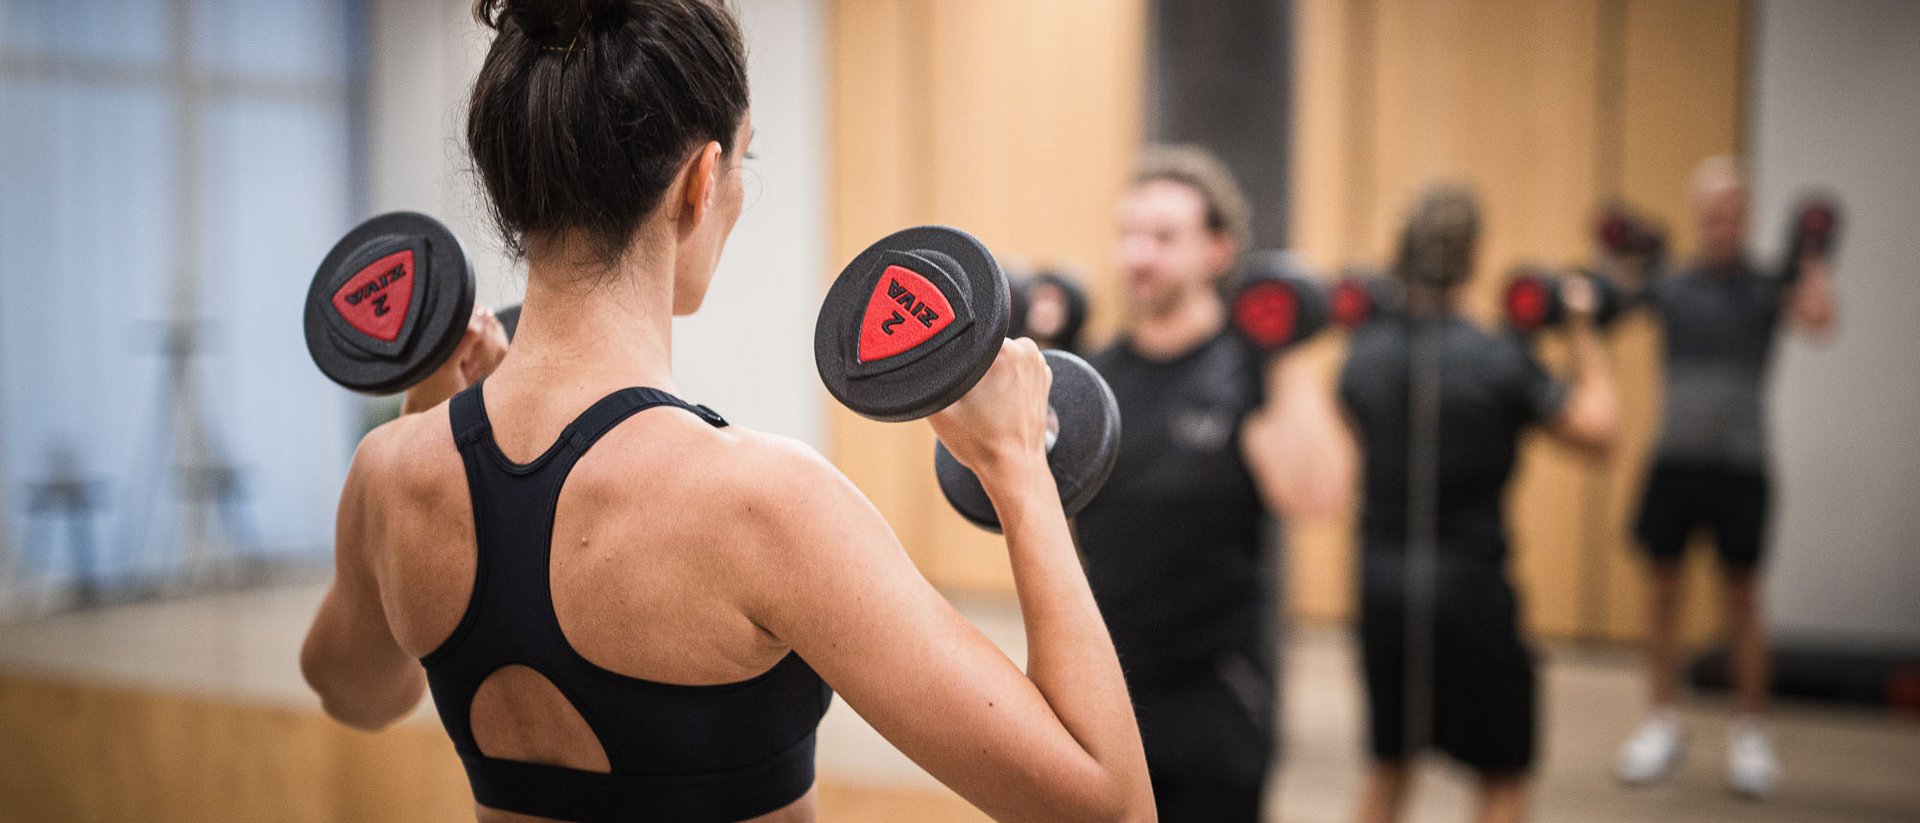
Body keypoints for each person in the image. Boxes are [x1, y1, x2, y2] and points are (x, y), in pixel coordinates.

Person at [298, 2, 1155, 821]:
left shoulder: (391, 471)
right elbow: (1107, 807)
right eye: (744, 159)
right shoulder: (764, 502)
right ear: (701, 180)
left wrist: (427, 409)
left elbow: (360, 691)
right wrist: (1018, 464)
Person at [1076, 145, 1353, 822]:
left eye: (1165, 237)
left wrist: (1282, 350)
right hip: (1104, 685)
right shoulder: (1091, 378)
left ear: (1218, 251)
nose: (1139, 255)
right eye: (1129, 234)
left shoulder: (1252, 371)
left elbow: (1316, 496)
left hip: (1216, 691)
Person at [1332, 185, 1617, 823]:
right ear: (1477, 257)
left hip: (1381, 591)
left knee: (1388, 769)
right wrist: (1582, 331)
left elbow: (1348, 444)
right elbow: (1601, 433)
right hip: (1471, 595)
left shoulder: (1362, 357)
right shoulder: (1499, 360)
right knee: (1501, 777)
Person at [1614, 155, 1837, 798]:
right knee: (1661, 597)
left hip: (1742, 465)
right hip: (1674, 461)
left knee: (1742, 602)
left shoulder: (1769, 286)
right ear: (1697, 217)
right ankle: (1660, 725)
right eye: (1710, 213)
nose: (1719, 223)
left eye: (1731, 214)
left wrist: (1814, 254)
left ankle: (1751, 735)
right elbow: (1610, 307)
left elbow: (1820, 319)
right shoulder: (1673, 286)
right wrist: (1625, 253)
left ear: (1747, 218)